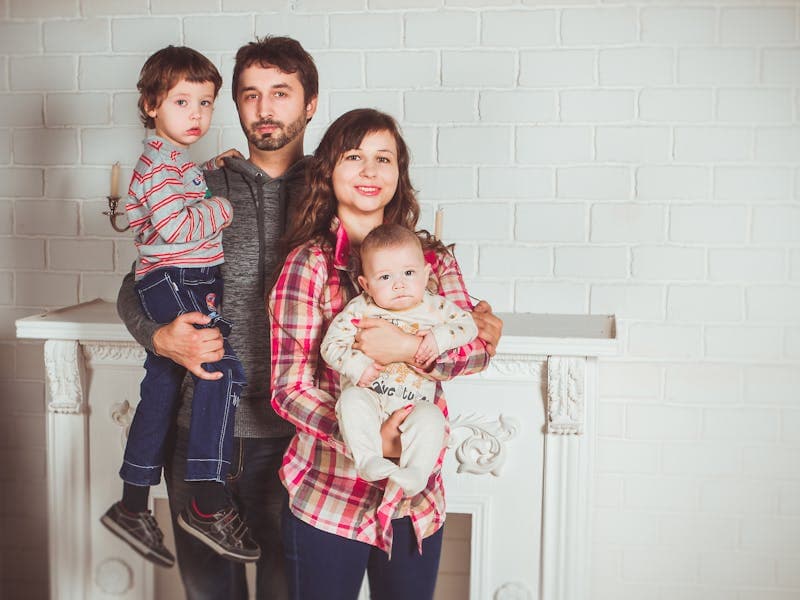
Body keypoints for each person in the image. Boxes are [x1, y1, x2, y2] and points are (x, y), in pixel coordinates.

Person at [269, 108, 503, 600]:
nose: (370, 171)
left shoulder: (432, 260)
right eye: (354, 157)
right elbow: (289, 389)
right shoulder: (308, 265)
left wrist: (410, 348)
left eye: (384, 158)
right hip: (330, 493)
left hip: (416, 500)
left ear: (399, 173)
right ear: (329, 171)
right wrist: (369, 438)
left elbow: (477, 349)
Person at [116, 36, 318, 599]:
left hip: (296, 434)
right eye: (250, 94)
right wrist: (159, 337)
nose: (264, 108)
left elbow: (388, 271)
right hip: (200, 432)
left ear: (310, 104)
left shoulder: (333, 189)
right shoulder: (198, 183)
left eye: (281, 92)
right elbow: (136, 285)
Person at [101, 45, 260, 567]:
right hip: (175, 279)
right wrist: (222, 207)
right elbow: (176, 225)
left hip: (180, 278)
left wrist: (209, 169)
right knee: (219, 371)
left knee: (163, 389)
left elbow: (178, 192)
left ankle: (132, 503)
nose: (196, 114)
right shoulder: (158, 166)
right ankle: (206, 500)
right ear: (151, 104)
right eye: (182, 102)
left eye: (205, 103)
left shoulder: (172, 162)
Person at [321, 223, 478, 497]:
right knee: (351, 401)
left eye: (409, 273)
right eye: (385, 277)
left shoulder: (435, 307)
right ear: (366, 285)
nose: (399, 284)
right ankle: (368, 459)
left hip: (413, 405)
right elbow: (330, 345)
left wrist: (438, 338)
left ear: (426, 274)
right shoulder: (360, 309)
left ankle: (416, 472)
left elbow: (469, 326)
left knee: (432, 418)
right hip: (370, 397)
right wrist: (357, 365)